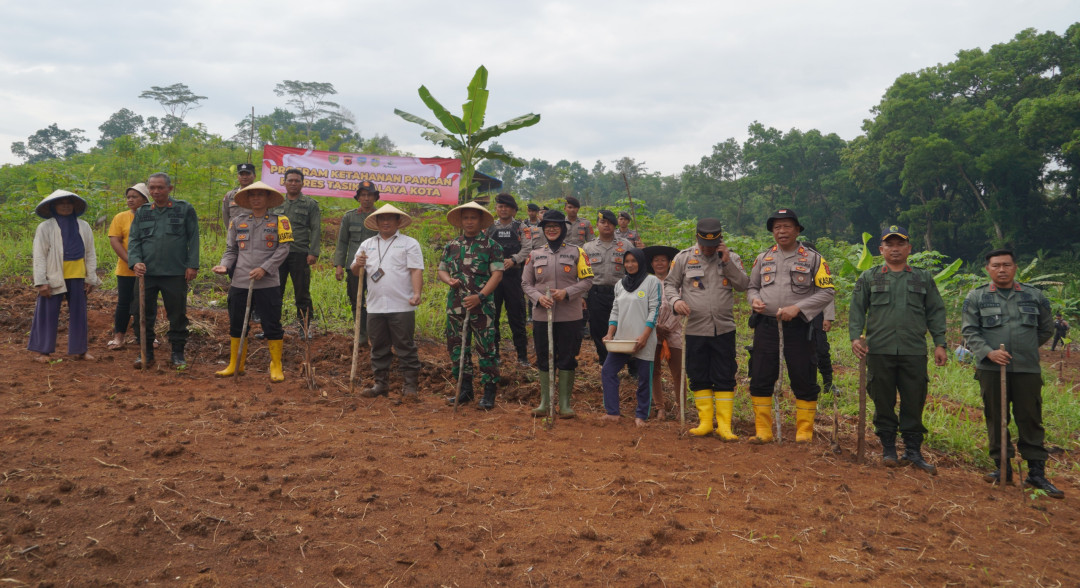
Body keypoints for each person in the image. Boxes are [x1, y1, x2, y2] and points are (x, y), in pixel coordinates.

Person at [961, 249, 1064, 498]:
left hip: (1026, 368)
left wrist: (1024, 348)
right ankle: (1002, 468)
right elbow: (970, 331)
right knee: (996, 417)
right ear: (988, 269)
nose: (1002, 270)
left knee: (1030, 418)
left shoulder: (1034, 295)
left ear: (1015, 267)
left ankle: (1036, 473)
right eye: (996, 266)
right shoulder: (976, 297)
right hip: (991, 368)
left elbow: (1046, 329)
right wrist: (989, 352)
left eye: (1006, 265)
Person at [849, 225, 947, 472]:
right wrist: (855, 338)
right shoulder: (869, 277)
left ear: (909, 248)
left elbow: (935, 311)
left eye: (900, 244)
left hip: (913, 350)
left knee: (914, 400)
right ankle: (889, 448)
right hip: (879, 349)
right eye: (889, 245)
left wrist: (940, 343)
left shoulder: (922, 277)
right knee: (883, 399)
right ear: (881, 249)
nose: (895, 249)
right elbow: (857, 309)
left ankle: (913, 451)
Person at [746, 209, 835, 443]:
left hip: (799, 328)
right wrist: (753, 300)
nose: (781, 231)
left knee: (804, 376)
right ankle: (763, 430)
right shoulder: (763, 257)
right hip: (766, 326)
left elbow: (827, 291)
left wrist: (799, 308)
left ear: (797, 230)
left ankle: (804, 431)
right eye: (776, 227)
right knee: (760, 375)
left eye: (786, 226)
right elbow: (752, 287)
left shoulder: (814, 259)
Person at [664, 219, 750, 439]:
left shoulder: (732, 258)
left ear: (720, 240)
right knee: (698, 374)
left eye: (712, 245)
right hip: (694, 328)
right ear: (697, 238)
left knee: (725, 374)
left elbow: (742, 285)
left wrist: (728, 262)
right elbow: (670, 284)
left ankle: (724, 426)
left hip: (724, 328)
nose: (708, 249)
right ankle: (704, 423)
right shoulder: (683, 258)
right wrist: (675, 302)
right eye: (704, 245)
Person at [211, 181, 293, 381]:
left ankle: (276, 365)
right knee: (237, 323)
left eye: (260, 195)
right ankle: (235, 364)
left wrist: (265, 268)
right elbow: (231, 250)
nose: (256, 198)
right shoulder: (237, 221)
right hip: (240, 281)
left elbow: (284, 249)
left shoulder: (280, 221)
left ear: (267, 199)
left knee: (271, 324)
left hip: (268, 282)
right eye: (252, 195)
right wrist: (225, 265)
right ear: (247, 200)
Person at [522, 209, 594, 417]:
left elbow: (588, 280)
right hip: (542, 316)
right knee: (544, 356)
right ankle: (545, 402)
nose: (552, 230)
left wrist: (567, 292)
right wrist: (537, 297)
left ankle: (564, 404)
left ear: (563, 229)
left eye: (556, 226)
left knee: (567, 357)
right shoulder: (535, 254)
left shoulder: (577, 252)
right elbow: (526, 283)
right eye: (548, 227)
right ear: (544, 230)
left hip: (570, 316)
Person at [351, 204, 424, 403]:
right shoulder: (367, 244)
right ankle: (380, 384)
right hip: (374, 306)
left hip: (402, 304)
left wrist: (417, 293)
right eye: (382, 219)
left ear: (398, 222)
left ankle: (410, 387)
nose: (385, 222)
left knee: (405, 346)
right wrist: (358, 263)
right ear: (376, 222)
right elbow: (356, 271)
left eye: (390, 218)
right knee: (378, 347)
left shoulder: (409, 243)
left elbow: (416, 270)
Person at [128, 172, 199, 368]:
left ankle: (177, 353)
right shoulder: (143, 211)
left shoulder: (184, 209)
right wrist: (135, 262)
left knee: (177, 314)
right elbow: (134, 239)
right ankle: (146, 353)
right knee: (141, 313)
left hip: (175, 272)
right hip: (146, 273)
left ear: (170, 188)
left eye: (160, 187)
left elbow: (193, 238)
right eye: (152, 188)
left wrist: (192, 265)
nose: (156, 191)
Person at [440, 202, 504, 409]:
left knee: (486, 349)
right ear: (461, 221)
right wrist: (449, 280)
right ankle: (465, 390)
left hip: (482, 308)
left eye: (473, 218)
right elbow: (442, 270)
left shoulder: (492, 246)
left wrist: (481, 296)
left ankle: (489, 392)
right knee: (457, 348)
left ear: (480, 221)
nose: (469, 222)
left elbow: (497, 274)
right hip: (456, 306)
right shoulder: (451, 245)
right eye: (465, 218)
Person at [28, 190, 100, 363]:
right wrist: (41, 282)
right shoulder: (45, 227)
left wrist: (90, 278)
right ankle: (43, 351)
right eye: (61, 203)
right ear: (53, 206)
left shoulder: (84, 226)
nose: (66, 205)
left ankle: (80, 350)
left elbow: (90, 253)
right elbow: (39, 255)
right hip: (53, 276)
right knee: (47, 313)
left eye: (69, 202)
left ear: (74, 206)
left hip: (78, 275)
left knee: (79, 314)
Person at [601, 248, 661, 426]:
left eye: (634, 261)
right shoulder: (620, 284)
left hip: (644, 338)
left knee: (644, 378)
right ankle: (612, 412)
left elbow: (654, 310)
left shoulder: (652, 282)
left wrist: (644, 336)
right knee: (608, 371)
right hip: (622, 339)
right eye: (626, 262)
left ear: (641, 262)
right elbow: (615, 310)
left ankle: (641, 415)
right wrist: (610, 333)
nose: (630, 265)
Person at [272, 168, 321, 338]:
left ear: (302, 183)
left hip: (299, 253)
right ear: (284, 182)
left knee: (302, 292)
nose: (293, 183)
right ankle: (272, 327)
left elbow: (315, 229)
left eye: (297, 181)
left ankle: (304, 327)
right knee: (274, 291)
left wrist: (313, 252)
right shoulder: (276, 203)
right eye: (290, 180)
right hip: (277, 254)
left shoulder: (310, 204)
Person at [485, 193, 531, 367]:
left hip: (514, 277)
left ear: (513, 209)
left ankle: (522, 356)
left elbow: (528, 248)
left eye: (506, 206)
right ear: (496, 209)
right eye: (499, 206)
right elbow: (483, 246)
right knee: (492, 316)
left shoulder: (521, 227)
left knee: (517, 317)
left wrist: (513, 260)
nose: (503, 209)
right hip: (493, 279)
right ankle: (494, 354)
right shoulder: (489, 227)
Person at [583, 210, 634, 369]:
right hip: (596, 293)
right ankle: (606, 363)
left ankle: (630, 365)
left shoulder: (626, 245)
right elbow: (583, 274)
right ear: (597, 225)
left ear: (615, 225)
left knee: (625, 328)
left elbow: (634, 270)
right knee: (599, 330)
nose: (606, 225)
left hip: (621, 293)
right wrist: (583, 297)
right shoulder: (588, 247)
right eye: (603, 222)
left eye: (610, 223)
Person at [334, 180, 380, 347]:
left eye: (369, 195)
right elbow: (342, 242)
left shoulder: (381, 216)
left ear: (375, 197)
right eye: (363, 195)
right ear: (358, 198)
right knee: (356, 300)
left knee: (376, 299)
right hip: (354, 267)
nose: (366, 198)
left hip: (376, 267)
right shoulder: (350, 216)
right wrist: (339, 265)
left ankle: (375, 335)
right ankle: (361, 334)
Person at [106, 183, 149, 350]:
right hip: (126, 269)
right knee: (124, 303)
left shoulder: (152, 215)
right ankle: (119, 337)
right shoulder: (121, 217)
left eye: (134, 197)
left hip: (148, 269)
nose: (130, 200)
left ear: (145, 199)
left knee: (146, 303)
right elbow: (115, 241)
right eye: (128, 197)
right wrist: (131, 262)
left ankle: (145, 336)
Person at [645, 245, 683, 420]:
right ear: (651, 264)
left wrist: (667, 328)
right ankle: (659, 407)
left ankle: (680, 407)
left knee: (678, 372)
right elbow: (643, 308)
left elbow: (681, 307)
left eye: (663, 260)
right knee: (654, 371)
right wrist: (655, 328)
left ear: (669, 263)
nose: (659, 263)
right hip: (652, 332)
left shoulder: (679, 283)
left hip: (675, 333)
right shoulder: (647, 283)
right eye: (656, 260)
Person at [220, 162, 255, 230]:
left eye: (248, 174)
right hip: (235, 233)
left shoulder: (260, 195)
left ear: (254, 176)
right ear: (237, 177)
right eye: (241, 174)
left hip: (253, 233)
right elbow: (225, 215)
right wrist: (231, 231)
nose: (244, 177)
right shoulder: (230, 195)